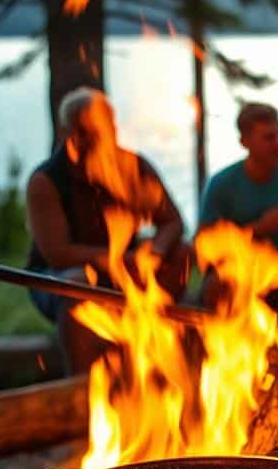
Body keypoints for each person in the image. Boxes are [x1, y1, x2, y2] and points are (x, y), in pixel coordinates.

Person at [26, 87, 189, 374]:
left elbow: (172, 222)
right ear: (68, 133)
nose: (99, 138)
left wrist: (156, 251)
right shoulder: (46, 181)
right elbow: (57, 254)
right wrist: (117, 260)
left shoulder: (133, 166)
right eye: (88, 131)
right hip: (60, 276)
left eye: (105, 129)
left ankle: (160, 360)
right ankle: (83, 383)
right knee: (78, 283)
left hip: (127, 269)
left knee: (181, 254)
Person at [199, 102, 278, 328]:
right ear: (244, 142)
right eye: (268, 138)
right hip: (239, 271)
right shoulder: (222, 183)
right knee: (217, 284)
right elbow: (203, 245)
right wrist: (258, 228)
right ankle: (232, 346)